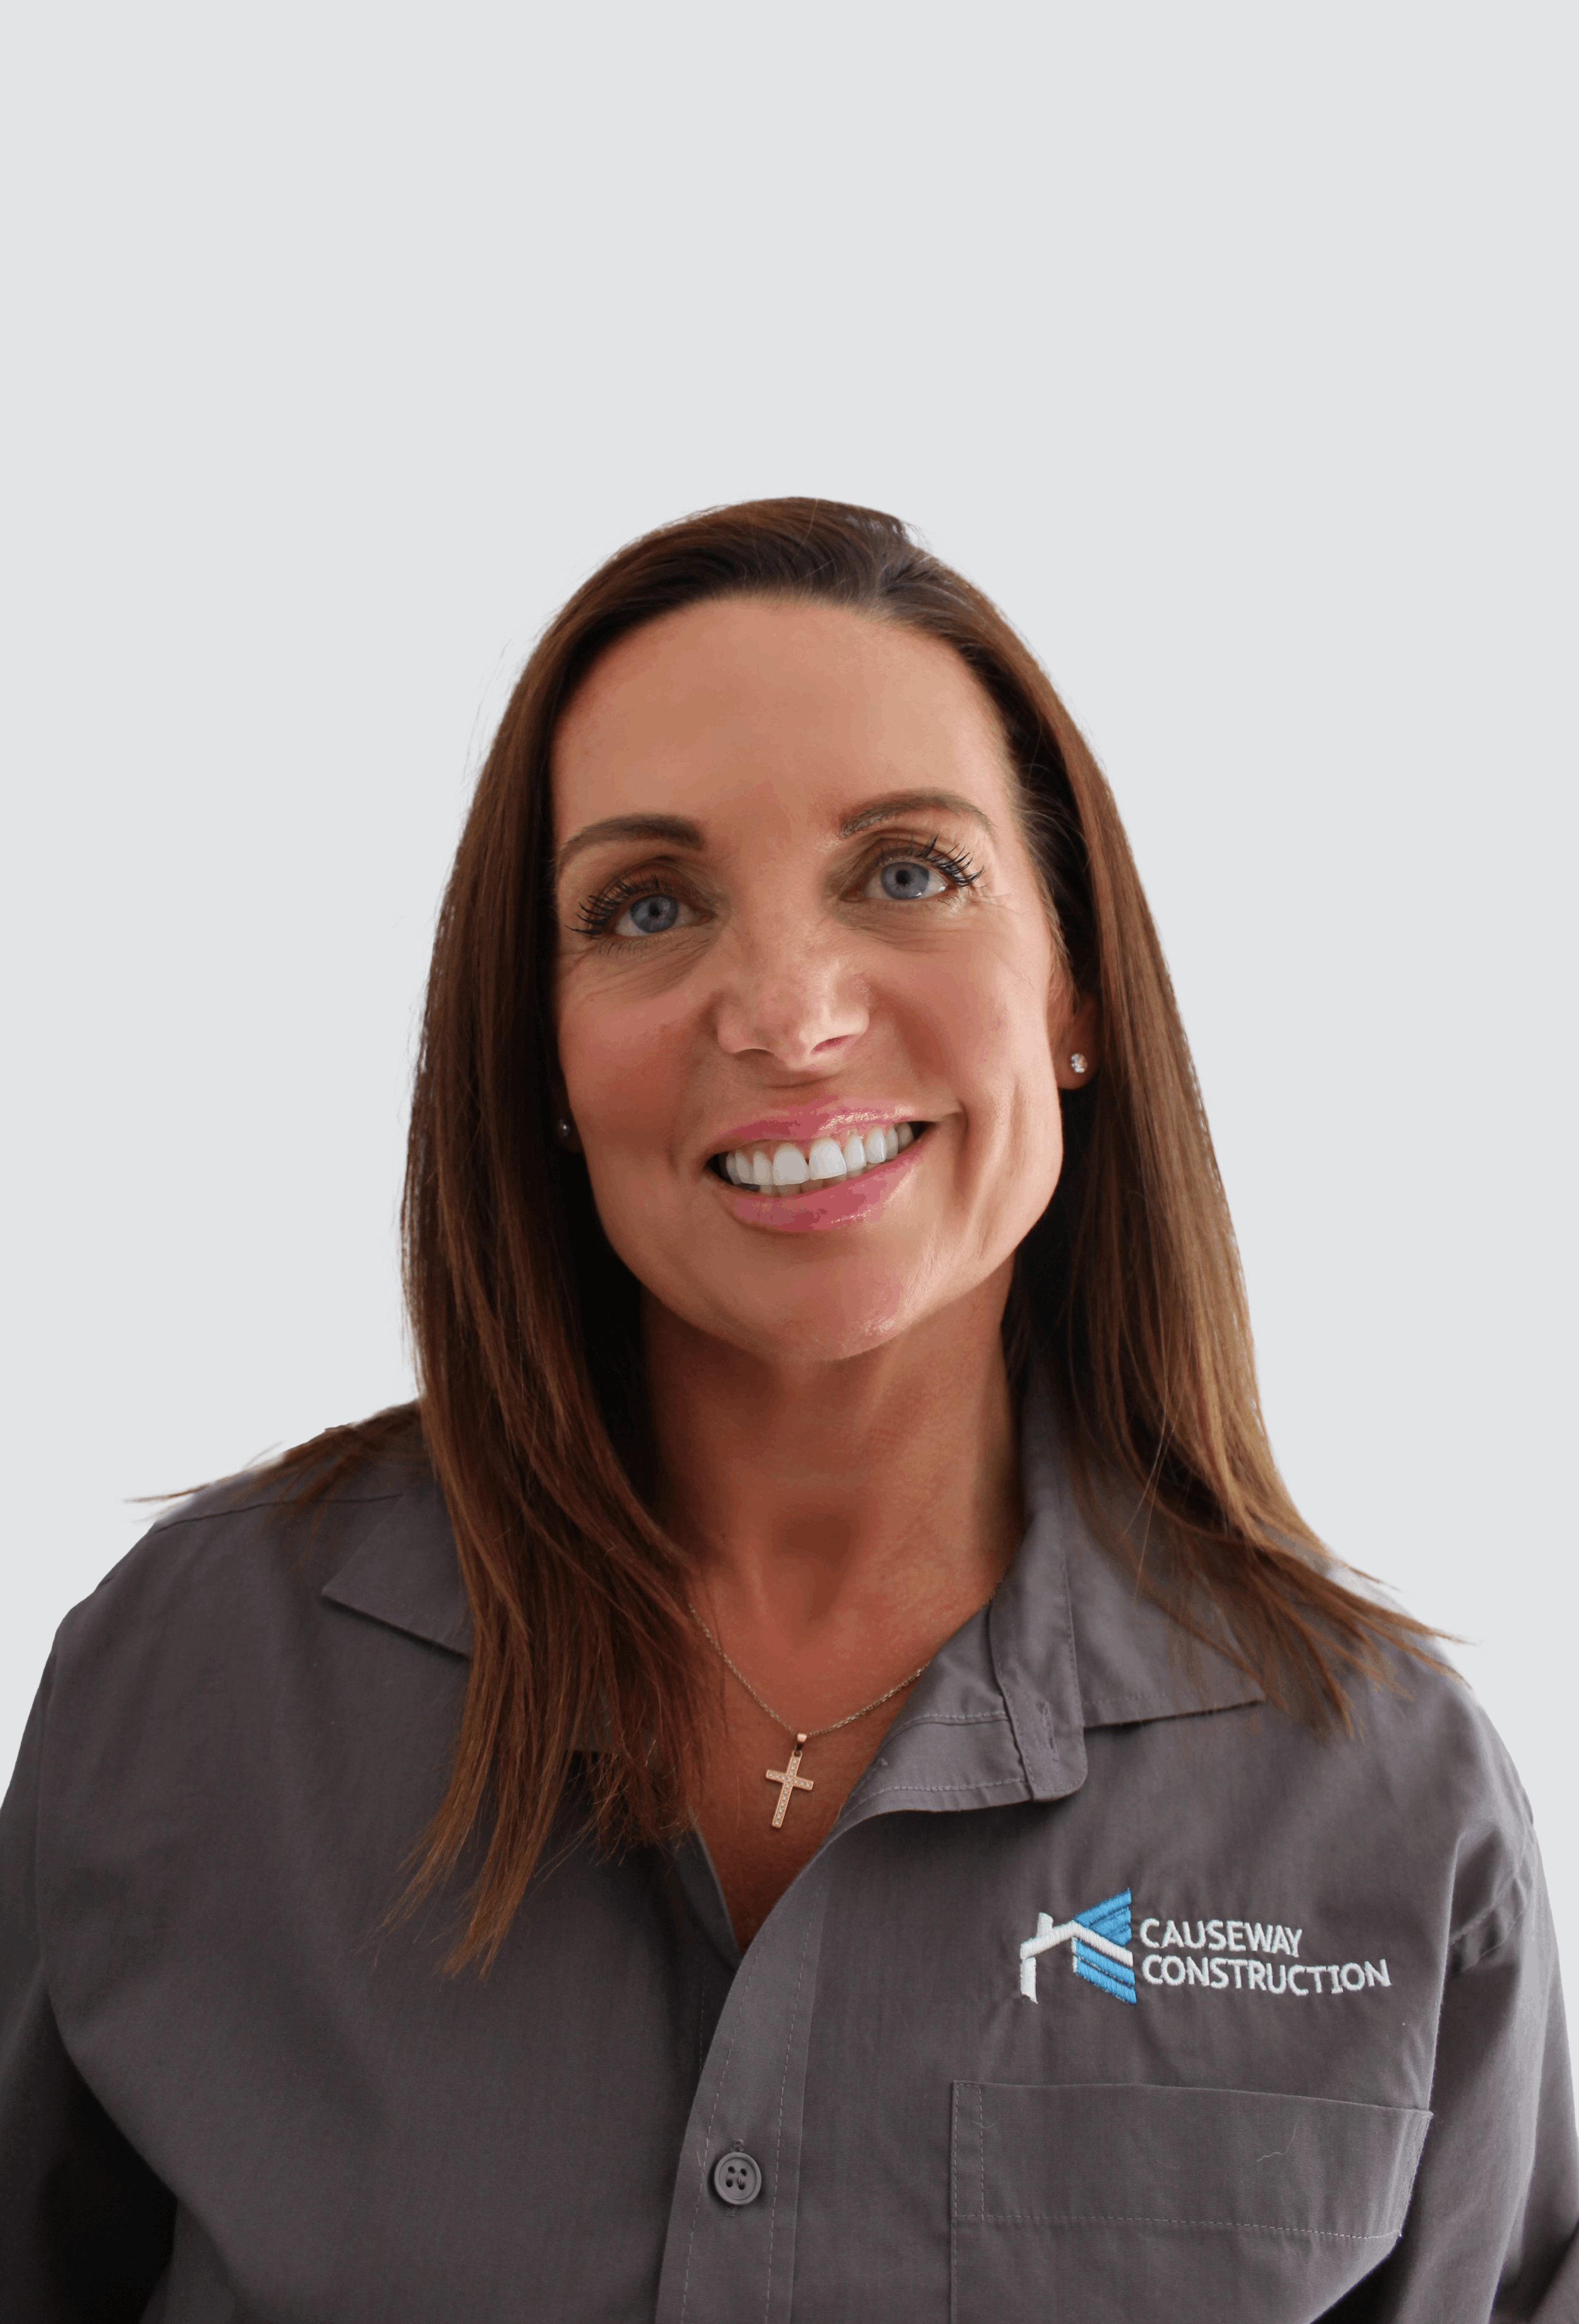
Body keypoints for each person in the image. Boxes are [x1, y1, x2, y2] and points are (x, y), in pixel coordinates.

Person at [1, 499, 1572, 2322]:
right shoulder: (197, 1681)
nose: (790, 1011)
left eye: (906, 871)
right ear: (543, 1049)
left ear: (1072, 987)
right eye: (646, 906)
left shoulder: (1383, 1799)